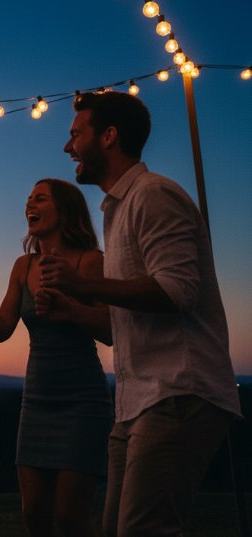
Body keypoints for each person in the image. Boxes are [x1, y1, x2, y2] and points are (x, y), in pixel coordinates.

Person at [43, 91, 241, 536]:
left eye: (76, 134)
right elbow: (124, 325)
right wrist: (72, 310)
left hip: (178, 392)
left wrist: (85, 284)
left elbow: (177, 292)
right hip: (135, 402)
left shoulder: (154, 195)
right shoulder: (117, 210)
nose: (67, 146)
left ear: (109, 137)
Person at [0, 179, 112, 537]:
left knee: (71, 517)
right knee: (34, 514)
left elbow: (112, 330)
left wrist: (69, 310)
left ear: (65, 210)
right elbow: (3, 328)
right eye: (28, 200)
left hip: (83, 402)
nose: (29, 205)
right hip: (37, 402)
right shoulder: (23, 265)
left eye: (40, 199)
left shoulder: (90, 261)